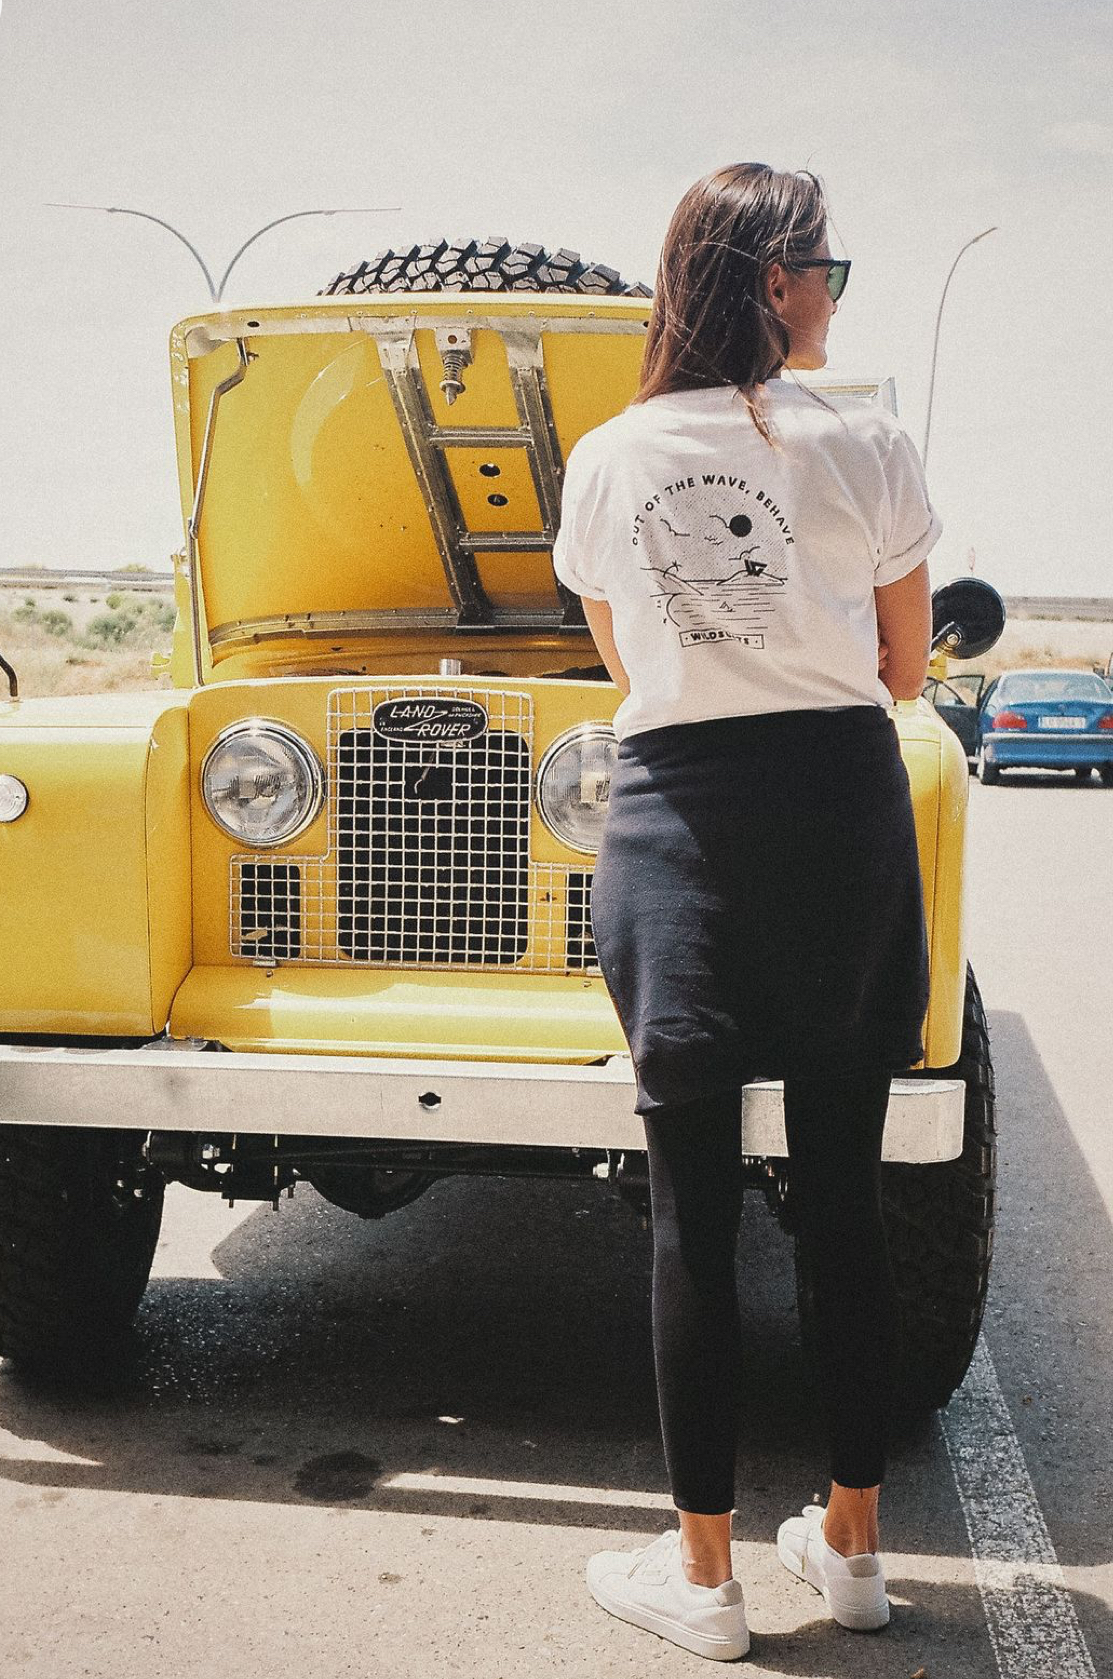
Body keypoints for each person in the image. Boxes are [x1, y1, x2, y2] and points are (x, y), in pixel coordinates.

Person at [550, 162, 940, 1661]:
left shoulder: (609, 456)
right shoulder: (870, 442)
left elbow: (624, 663)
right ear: (772, 281)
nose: (834, 290)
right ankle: (852, 1550)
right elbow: (903, 671)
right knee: (841, 1199)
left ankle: (704, 1579)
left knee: (691, 1213)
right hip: (840, 815)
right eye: (825, 266)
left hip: (681, 823)